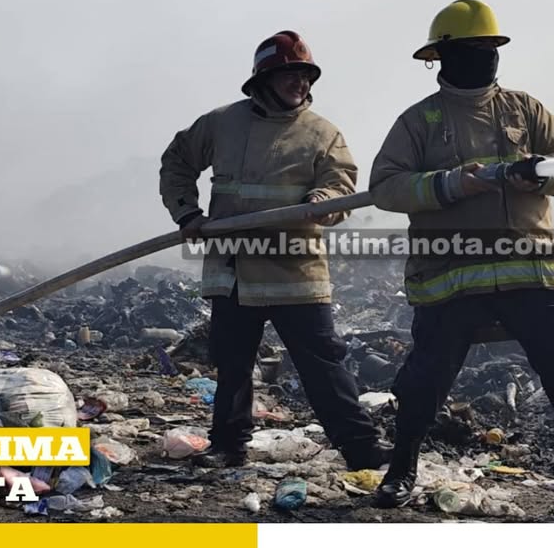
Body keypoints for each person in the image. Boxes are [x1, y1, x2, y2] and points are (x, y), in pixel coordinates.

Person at [368, 0, 554, 522]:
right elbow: (385, 187)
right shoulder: (419, 122)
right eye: (471, 50)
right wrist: (449, 183)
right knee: (424, 382)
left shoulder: (524, 110)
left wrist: (543, 174)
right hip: (450, 275)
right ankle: (400, 470)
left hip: (530, 271)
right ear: (442, 57)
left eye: (489, 49)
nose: (483, 58)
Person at [159, 30, 390, 471]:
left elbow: (340, 182)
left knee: (324, 365)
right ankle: (228, 446)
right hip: (234, 271)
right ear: (264, 78)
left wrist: (322, 203)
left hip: (296, 272)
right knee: (233, 365)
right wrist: (187, 213)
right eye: (290, 75)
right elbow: (177, 162)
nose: (299, 84)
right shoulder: (222, 123)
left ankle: (361, 449)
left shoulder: (323, 133)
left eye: (305, 76)